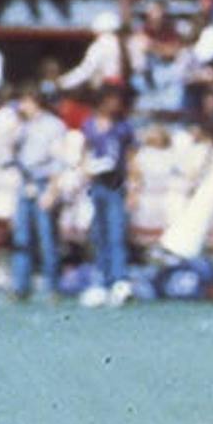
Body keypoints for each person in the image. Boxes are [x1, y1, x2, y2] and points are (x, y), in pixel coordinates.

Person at [3, 86, 68, 301]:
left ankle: (53, 286)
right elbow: (11, 153)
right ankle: (20, 285)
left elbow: (59, 160)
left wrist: (52, 190)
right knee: (22, 236)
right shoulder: (22, 125)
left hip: (44, 181)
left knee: (46, 236)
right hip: (25, 182)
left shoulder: (53, 126)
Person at [79, 87, 139, 308]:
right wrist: (85, 169)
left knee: (116, 234)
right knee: (98, 234)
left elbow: (132, 160)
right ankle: (101, 280)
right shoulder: (89, 125)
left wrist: (134, 189)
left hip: (115, 186)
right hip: (97, 185)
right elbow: (84, 152)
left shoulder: (123, 128)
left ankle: (119, 280)